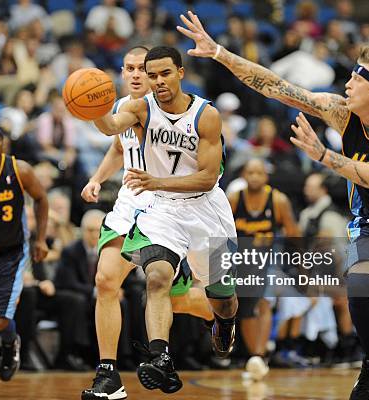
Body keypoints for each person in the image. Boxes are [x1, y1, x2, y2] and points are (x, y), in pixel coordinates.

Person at [178, 11, 369, 400]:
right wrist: (221, 53)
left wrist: (326, 156)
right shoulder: (341, 114)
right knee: (359, 283)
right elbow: (276, 86)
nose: (347, 82)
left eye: (356, 77)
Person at [90, 46, 238, 394]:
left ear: (180, 72)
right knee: (156, 278)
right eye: (151, 75)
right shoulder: (140, 107)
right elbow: (112, 127)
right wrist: (92, 106)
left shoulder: (206, 115)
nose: (157, 81)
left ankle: (224, 322)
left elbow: (205, 177)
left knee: (223, 297)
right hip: (162, 209)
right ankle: (160, 357)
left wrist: (154, 180)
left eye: (163, 74)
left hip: (206, 208)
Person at [0, 124, 49, 396]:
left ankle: (10, 342)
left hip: (11, 254)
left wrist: (40, 239)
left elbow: (41, 199)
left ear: (3, 144)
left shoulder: (19, 169)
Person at [228, 158, 301, 378]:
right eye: (250, 172)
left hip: (268, 259)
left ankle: (259, 354)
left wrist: (301, 266)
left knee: (264, 300)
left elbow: (294, 234)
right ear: (244, 175)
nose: (254, 177)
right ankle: (255, 357)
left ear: (266, 177)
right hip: (241, 260)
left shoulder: (278, 200)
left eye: (259, 173)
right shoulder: (234, 199)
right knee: (246, 309)